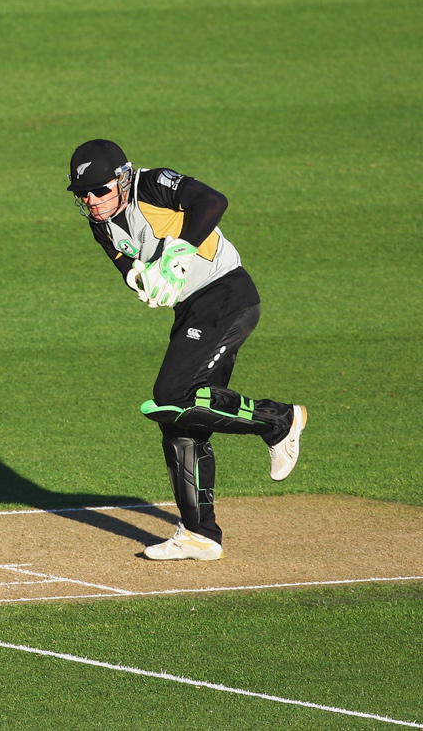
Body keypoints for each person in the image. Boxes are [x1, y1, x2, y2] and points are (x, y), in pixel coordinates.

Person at [66, 138, 306, 561]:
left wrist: (181, 249)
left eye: (100, 190)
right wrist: (136, 277)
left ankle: (279, 420)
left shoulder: (152, 185)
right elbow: (124, 261)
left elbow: (213, 202)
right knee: (180, 423)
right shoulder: (99, 221)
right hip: (192, 311)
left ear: (122, 180)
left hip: (227, 296)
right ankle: (201, 534)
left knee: (170, 396)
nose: (92, 200)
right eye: (83, 194)